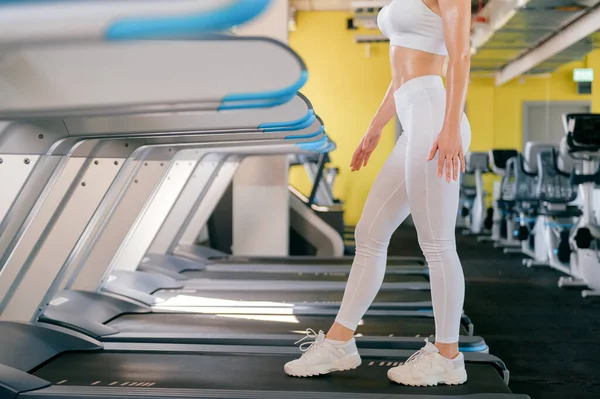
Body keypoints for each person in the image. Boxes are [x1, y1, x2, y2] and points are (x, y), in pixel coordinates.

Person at [284, 0, 472, 387]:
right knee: (369, 235)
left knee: (437, 244)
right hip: (412, 118)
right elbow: (400, 67)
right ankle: (340, 343)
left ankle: (448, 356)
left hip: (435, 119)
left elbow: (461, 55)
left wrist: (450, 128)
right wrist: (375, 126)